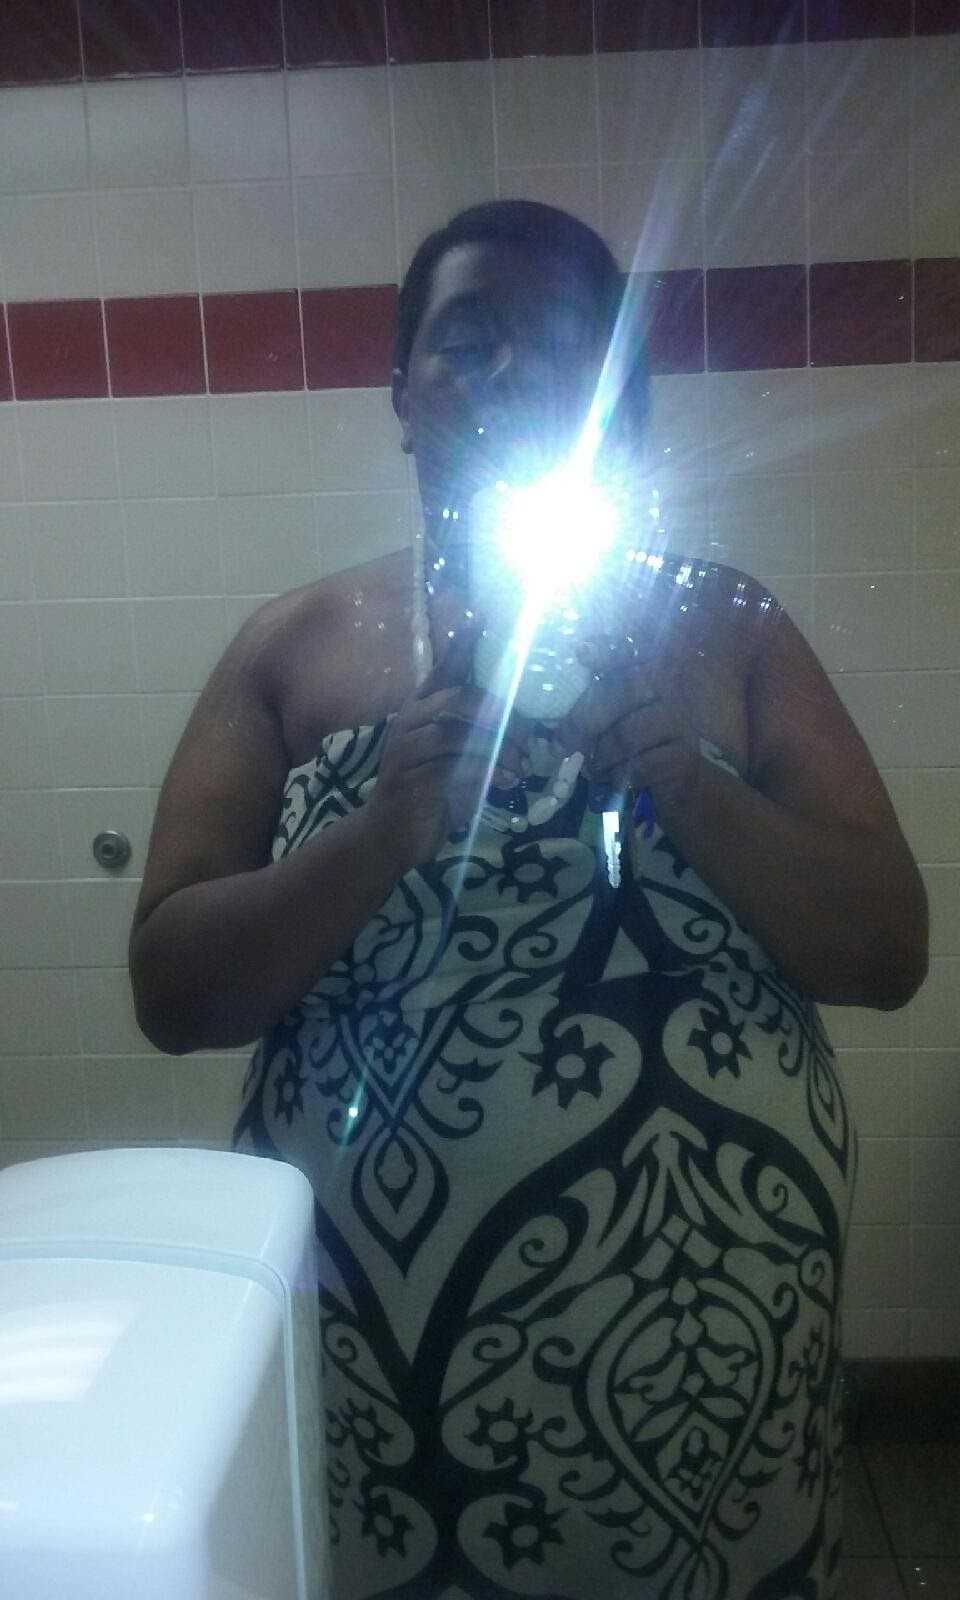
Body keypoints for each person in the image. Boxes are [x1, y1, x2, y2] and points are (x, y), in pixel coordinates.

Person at [129, 202, 928, 1600]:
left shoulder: (728, 628)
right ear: (402, 391)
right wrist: (379, 835)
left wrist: (685, 779)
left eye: (561, 346)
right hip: (377, 1329)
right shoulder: (292, 649)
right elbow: (173, 991)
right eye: (469, 339)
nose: (510, 373)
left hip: (712, 1323)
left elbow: (886, 948)